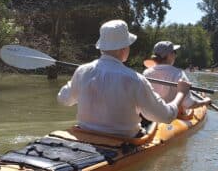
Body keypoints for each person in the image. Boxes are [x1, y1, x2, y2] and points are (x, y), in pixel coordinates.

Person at [57, 20, 191, 138]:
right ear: (123, 49)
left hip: (85, 133)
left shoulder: (82, 71)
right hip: (124, 139)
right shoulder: (136, 79)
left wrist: (76, 81)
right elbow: (166, 116)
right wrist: (181, 93)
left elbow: (63, 99)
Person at [143, 41, 211, 111]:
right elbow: (189, 104)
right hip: (171, 115)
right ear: (170, 55)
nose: (175, 55)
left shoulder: (146, 73)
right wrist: (205, 102)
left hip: (152, 113)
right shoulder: (179, 74)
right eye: (174, 52)